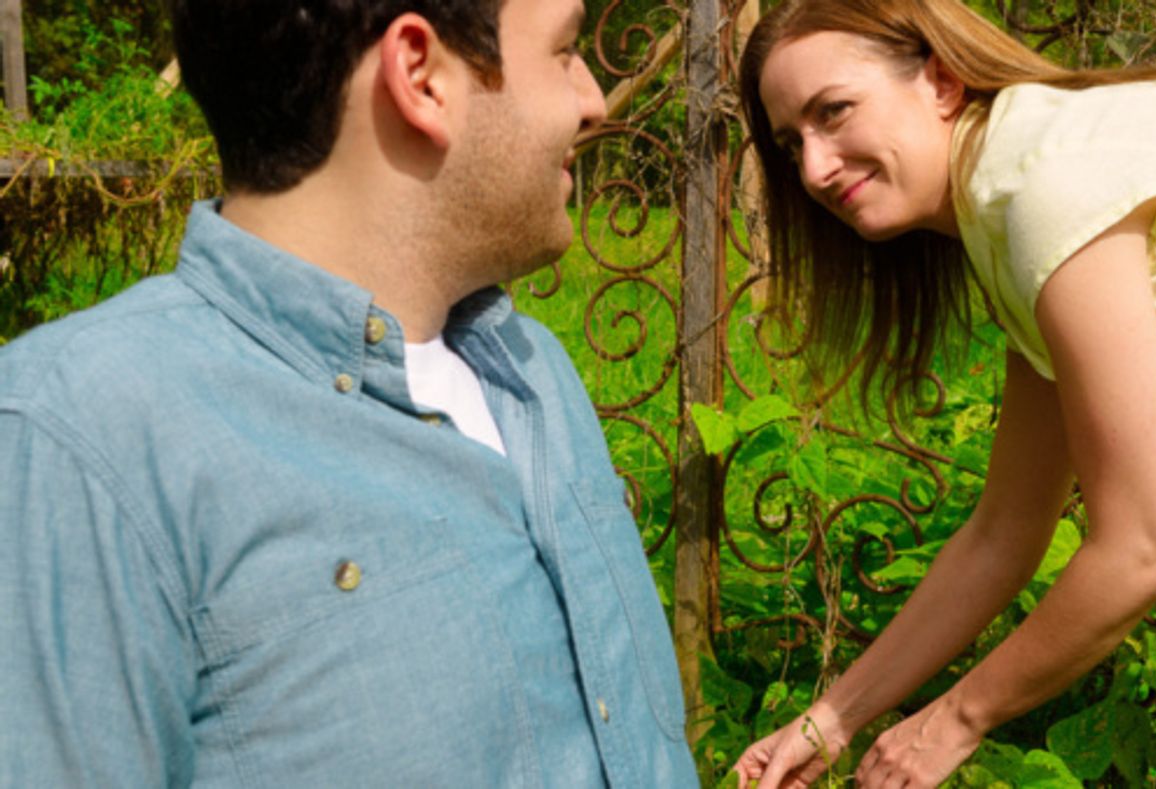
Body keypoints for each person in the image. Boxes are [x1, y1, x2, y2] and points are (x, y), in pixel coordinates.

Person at [0, 0, 698, 786]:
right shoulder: (82, 440)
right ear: (421, 76)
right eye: (566, 51)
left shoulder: (535, 372)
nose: (594, 99)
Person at [730, 0, 1156, 786]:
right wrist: (833, 716)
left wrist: (955, 719)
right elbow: (1006, 529)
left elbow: (1145, 546)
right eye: (791, 143)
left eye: (833, 112)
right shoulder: (1011, 193)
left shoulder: (1044, 187)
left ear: (940, 81)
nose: (813, 168)